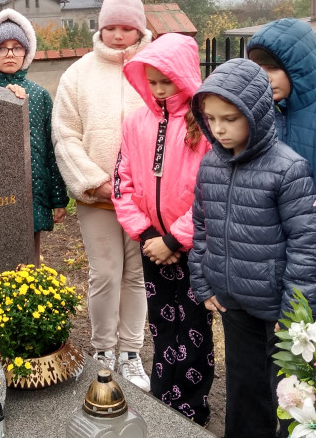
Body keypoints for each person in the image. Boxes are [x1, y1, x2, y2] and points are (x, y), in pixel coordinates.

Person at [189, 58, 316, 438]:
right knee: (244, 389)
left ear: (257, 112)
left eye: (230, 118)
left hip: (277, 310)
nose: (219, 129)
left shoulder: (288, 169)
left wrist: (296, 315)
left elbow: (306, 248)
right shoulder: (211, 165)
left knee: (287, 397)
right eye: (212, 118)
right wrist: (202, 282)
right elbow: (202, 227)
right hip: (234, 302)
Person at [51, 0, 153, 391]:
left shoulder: (152, 70)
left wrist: (145, 185)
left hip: (144, 198)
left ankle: (130, 352)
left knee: (136, 277)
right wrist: (94, 181)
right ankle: (102, 350)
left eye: (125, 28)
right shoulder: (78, 74)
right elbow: (65, 133)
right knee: (106, 274)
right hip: (97, 198)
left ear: (139, 29)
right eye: (110, 26)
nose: (116, 34)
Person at [113, 32, 214, 425]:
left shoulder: (203, 124)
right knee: (161, 321)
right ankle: (163, 397)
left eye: (165, 81)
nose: (157, 89)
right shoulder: (137, 121)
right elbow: (123, 180)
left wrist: (176, 238)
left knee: (192, 325)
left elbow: (210, 189)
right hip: (151, 242)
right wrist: (146, 235)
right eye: (151, 81)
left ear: (185, 76)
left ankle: (191, 406)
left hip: (192, 245)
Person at [246, 18, 316, 333]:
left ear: (298, 67)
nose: (264, 78)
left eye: (272, 68)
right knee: (284, 351)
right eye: (257, 69)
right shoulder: (258, 114)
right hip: (273, 257)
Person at [0, 9, 68, 261]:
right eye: (2, 48)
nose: (9, 54)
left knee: (30, 259)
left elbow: (51, 148)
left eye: (17, 47)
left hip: (33, 189)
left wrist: (58, 198)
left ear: (26, 53)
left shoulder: (39, 95)